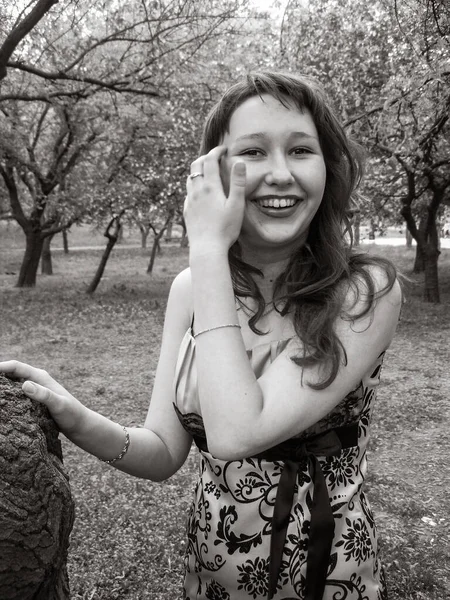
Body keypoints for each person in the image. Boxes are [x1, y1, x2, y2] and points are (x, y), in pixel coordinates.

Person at [0, 71, 402, 600]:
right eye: (253, 152)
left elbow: (239, 432)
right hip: (211, 576)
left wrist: (208, 248)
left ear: (326, 165)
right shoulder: (193, 289)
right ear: (210, 172)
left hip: (327, 578)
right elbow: (163, 451)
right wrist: (74, 415)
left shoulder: (362, 291)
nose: (280, 173)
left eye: (301, 150)